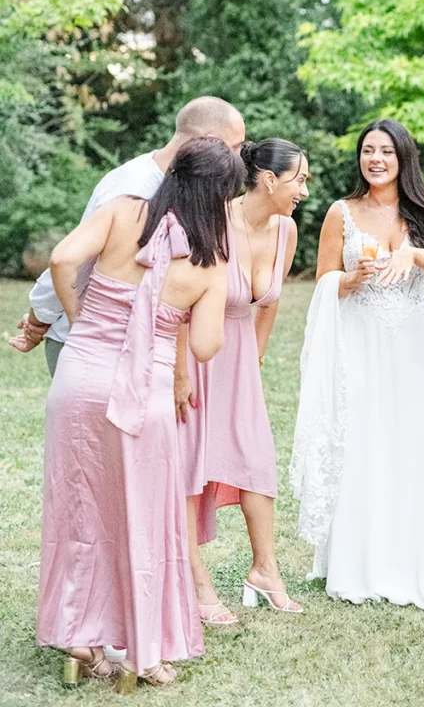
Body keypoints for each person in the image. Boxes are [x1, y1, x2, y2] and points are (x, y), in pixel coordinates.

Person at [36, 138, 246, 686]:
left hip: (79, 378)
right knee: (142, 519)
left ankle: (79, 637)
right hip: (143, 395)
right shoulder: (209, 260)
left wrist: (86, 320)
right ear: (222, 198)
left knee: (79, 509)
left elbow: (61, 258)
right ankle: (141, 653)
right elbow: (204, 347)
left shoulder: (124, 210)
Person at [291, 119, 424, 610]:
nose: (376, 159)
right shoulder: (341, 213)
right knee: (364, 437)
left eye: (386, 151)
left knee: (414, 438)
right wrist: (353, 277)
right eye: (368, 150)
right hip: (360, 339)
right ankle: (360, 559)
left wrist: (413, 255)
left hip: (413, 339)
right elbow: (325, 281)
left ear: (402, 157)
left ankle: (415, 555)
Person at [11, 97, 245, 374]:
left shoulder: (189, 191)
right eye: (235, 148)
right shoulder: (133, 189)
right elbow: (72, 261)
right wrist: (46, 318)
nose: (238, 159)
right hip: (92, 345)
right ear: (210, 142)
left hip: (145, 350)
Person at [177, 138, 310, 622]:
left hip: (241, 360)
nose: (305, 191)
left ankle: (266, 569)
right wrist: (177, 373)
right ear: (270, 179)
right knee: (191, 464)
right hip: (195, 353)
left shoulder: (287, 230)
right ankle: (194, 578)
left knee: (256, 459)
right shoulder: (213, 218)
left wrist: (254, 360)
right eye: (300, 179)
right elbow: (179, 300)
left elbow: (268, 304)